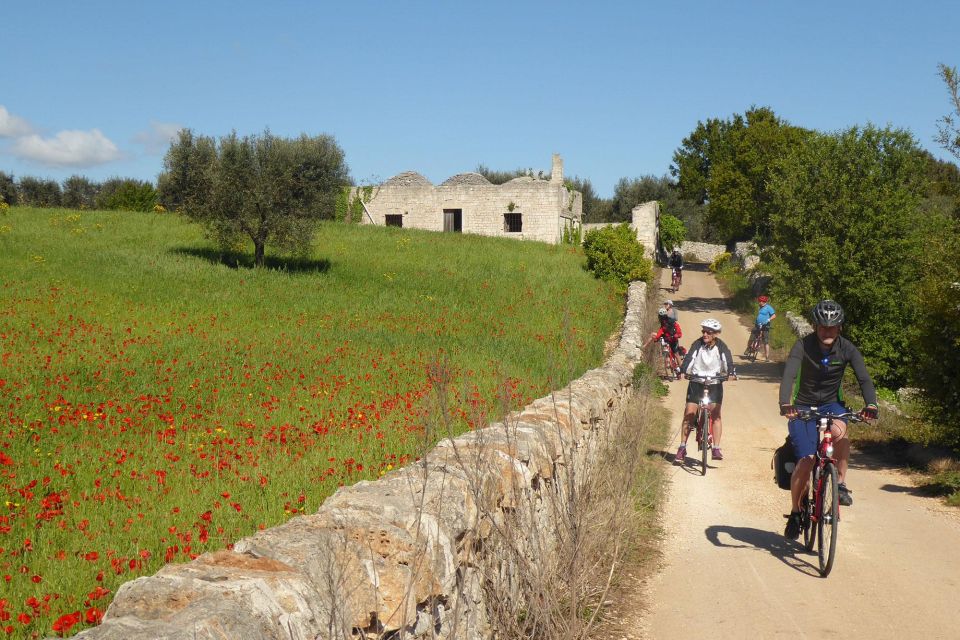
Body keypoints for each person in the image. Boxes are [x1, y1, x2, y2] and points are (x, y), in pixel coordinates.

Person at [779, 299, 879, 540]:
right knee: (806, 460)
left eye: (832, 327)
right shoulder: (803, 346)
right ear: (815, 326)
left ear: (840, 328)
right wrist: (785, 403)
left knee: (841, 434)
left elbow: (864, 378)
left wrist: (871, 404)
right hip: (802, 405)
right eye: (822, 326)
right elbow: (789, 374)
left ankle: (840, 483)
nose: (827, 331)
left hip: (831, 404)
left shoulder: (847, 349)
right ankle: (795, 512)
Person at [676, 318, 737, 462]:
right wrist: (683, 370)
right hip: (696, 381)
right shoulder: (697, 344)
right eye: (703, 331)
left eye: (708, 332)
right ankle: (682, 447)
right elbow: (690, 358)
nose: (704, 334)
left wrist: (731, 373)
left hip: (715, 383)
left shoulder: (721, 346)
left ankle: (716, 448)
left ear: (715, 333)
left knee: (716, 415)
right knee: (689, 413)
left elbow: (727, 361)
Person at [644, 309, 684, 375]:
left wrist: (675, 336)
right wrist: (656, 338)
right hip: (667, 339)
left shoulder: (672, 322)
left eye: (660, 316)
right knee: (665, 350)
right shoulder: (663, 323)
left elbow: (679, 333)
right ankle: (644, 347)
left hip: (673, 340)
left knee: (676, 354)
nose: (660, 318)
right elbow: (661, 330)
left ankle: (682, 370)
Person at [747, 295, 777, 361]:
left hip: (765, 326)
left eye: (760, 301)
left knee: (765, 341)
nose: (759, 302)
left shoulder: (768, 307)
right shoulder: (760, 307)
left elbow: (774, 315)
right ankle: (748, 348)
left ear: (764, 301)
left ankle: (767, 357)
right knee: (752, 337)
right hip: (757, 325)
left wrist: (769, 319)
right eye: (759, 301)